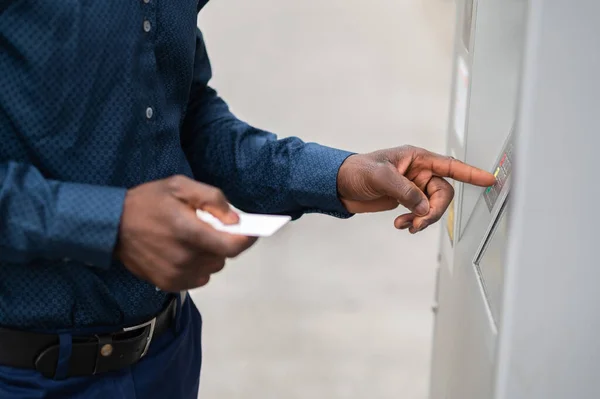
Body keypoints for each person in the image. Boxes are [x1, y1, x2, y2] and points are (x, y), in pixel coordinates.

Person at [0, 1, 495, 398]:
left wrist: (338, 175)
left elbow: (185, 117)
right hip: (26, 372)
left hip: (166, 358)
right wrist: (110, 222)